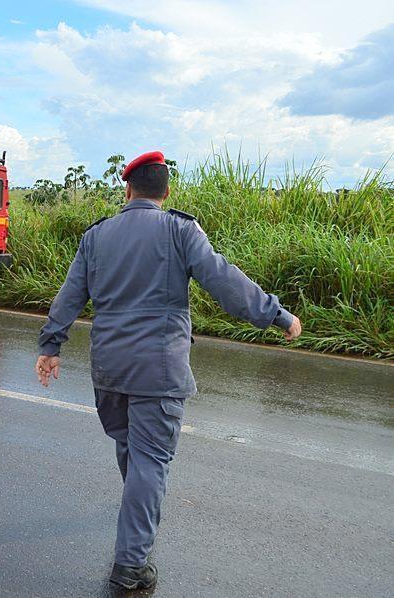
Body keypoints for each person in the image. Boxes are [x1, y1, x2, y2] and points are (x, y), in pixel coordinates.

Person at [34, 151, 302, 590]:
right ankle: (130, 566)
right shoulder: (181, 230)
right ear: (167, 191)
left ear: (128, 190)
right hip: (159, 370)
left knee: (130, 450)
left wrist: (51, 344)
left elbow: (70, 293)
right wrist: (277, 315)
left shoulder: (97, 236)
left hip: (110, 368)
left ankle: (137, 519)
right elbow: (224, 281)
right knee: (150, 461)